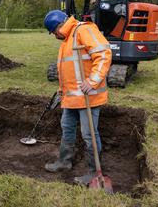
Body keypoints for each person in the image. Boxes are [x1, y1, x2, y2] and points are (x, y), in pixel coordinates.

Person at [43, 10, 112, 185]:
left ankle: (92, 171)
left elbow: (103, 54)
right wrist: (61, 89)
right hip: (72, 98)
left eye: (53, 33)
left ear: (58, 27)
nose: (54, 36)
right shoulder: (68, 40)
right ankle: (64, 162)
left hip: (88, 96)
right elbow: (68, 69)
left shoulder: (83, 30)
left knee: (88, 134)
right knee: (67, 127)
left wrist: (93, 81)